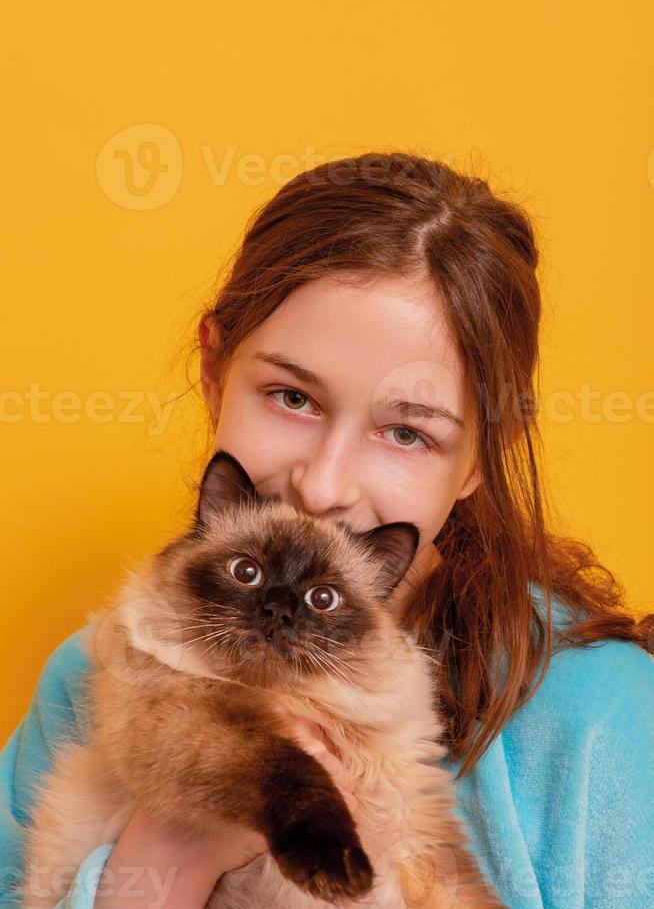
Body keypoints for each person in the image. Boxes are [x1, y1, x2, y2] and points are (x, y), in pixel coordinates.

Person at [2, 152, 653, 908]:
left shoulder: (606, 719)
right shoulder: (89, 675)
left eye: (408, 434)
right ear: (215, 374)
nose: (322, 485)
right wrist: (164, 863)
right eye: (291, 397)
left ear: (483, 460)